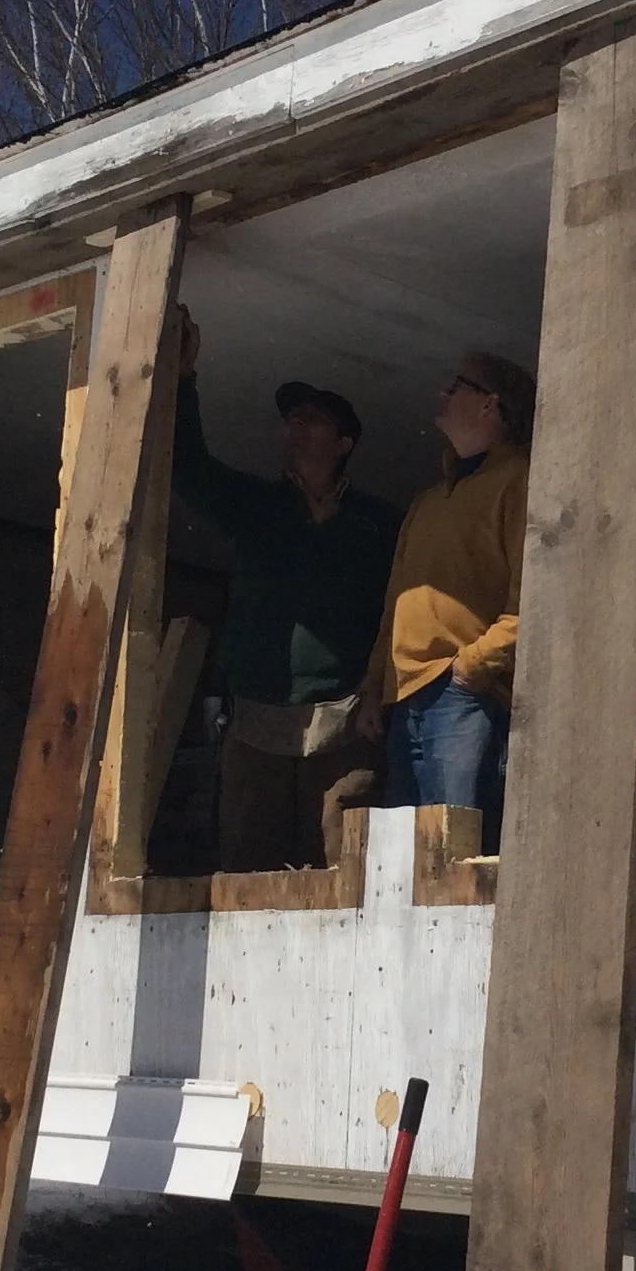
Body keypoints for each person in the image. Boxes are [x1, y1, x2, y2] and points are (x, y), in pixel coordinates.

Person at [172, 310, 400, 871]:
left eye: (314, 419)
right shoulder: (254, 507)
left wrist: (380, 693)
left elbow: (405, 614)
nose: (296, 426)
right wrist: (181, 380)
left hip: (346, 724)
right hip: (257, 724)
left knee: (344, 872)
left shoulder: (380, 523)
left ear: (344, 443)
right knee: (250, 869)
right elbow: (185, 466)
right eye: (291, 418)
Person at [362, 350, 537, 853]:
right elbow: (397, 603)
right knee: (405, 863)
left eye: (455, 387)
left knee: (458, 856)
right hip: (407, 697)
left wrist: (473, 667)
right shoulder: (425, 502)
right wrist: (375, 686)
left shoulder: (520, 479)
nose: (442, 395)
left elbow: (536, 598)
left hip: (464, 695)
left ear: (490, 405)